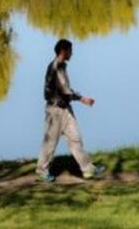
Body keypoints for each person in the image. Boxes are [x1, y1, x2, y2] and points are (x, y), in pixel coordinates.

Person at [36, 38, 105, 182]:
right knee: (50, 143)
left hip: (65, 109)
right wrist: (82, 99)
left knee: (76, 138)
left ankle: (88, 170)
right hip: (54, 111)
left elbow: (66, 89)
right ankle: (42, 170)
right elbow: (65, 91)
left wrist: (78, 98)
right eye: (70, 51)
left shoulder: (62, 66)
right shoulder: (55, 66)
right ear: (63, 51)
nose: (72, 53)